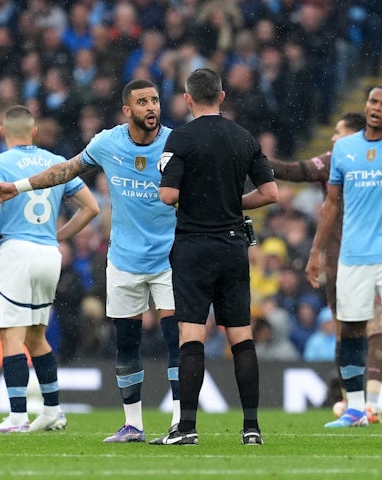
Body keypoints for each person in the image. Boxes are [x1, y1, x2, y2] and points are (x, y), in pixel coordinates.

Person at [0, 79, 180, 443]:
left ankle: (181, 423)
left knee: (174, 338)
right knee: (123, 342)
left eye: (154, 100)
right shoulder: (106, 142)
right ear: (127, 109)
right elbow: (70, 174)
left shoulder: (176, 141)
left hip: (169, 257)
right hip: (121, 259)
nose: (151, 107)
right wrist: (24, 190)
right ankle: (129, 425)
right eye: (142, 101)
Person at [155, 68, 278, 445]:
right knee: (240, 335)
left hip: (194, 245)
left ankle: (187, 428)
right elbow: (271, 192)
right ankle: (252, 427)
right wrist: (232, 201)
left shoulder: (181, 137)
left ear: (188, 99)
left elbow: (168, 196)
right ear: (222, 97)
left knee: (191, 333)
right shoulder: (243, 136)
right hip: (232, 244)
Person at [306, 85, 382, 428]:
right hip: (353, 256)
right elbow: (331, 203)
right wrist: (316, 251)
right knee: (350, 330)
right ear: (366, 106)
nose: (377, 107)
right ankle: (355, 409)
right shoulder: (345, 148)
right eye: (373, 101)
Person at [0, 105, 99, 433]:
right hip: (48, 254)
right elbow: (92, 207)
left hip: (15, 251)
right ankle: (53, 411)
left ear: (2, 131)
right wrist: (57, 236)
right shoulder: (54, 163)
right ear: (33, 132)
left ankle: (17, 417)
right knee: (36, 336)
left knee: (11, 334)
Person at [269, 112, 382, 423]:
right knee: (344, 332)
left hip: (371, 256)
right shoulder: (336, 159)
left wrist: (256, 160)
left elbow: (298, 171)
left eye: (339, 132)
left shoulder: (373, 160)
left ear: (353, 135)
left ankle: (370, 403)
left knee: (374, 328)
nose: (333, 138)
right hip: (338, 262)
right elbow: (300, 171)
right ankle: (353, 403)